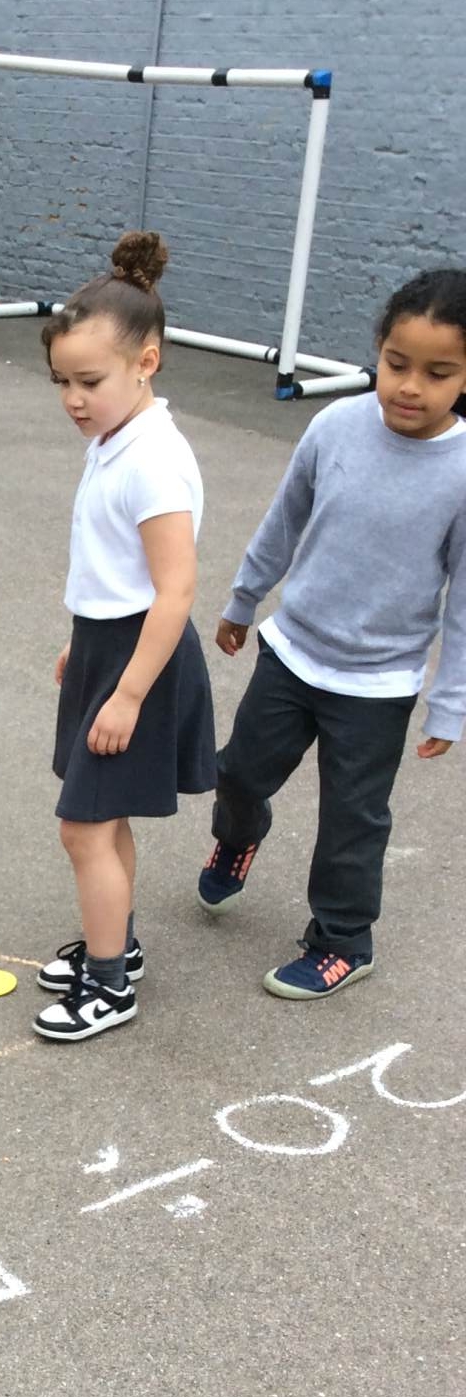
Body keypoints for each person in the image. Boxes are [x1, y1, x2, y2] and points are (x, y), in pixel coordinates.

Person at [199, 269, 466, 997]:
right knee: (238, 774)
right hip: (293, 653)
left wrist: (448, 704)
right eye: (397, 364)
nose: (411, 386)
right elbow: (284, 520)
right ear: (378, 350)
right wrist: (243, 600)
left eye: (438, 373)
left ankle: (344, 940)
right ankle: (239, 837)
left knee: (353, 820)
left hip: (377, 685)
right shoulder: (336, 426)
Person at [32, 232, 215, 1042]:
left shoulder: (154, 460)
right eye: (62, 382)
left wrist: (129, 691)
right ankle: (119, 948)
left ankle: (109, 987)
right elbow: (116, 567)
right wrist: (87, 641)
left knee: (82, 828)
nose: (74, 399)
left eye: (90, 381)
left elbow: (175, 590)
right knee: (103, 822)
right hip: (109, 645)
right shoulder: (115, 438)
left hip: (144, 659)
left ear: (147, 362)